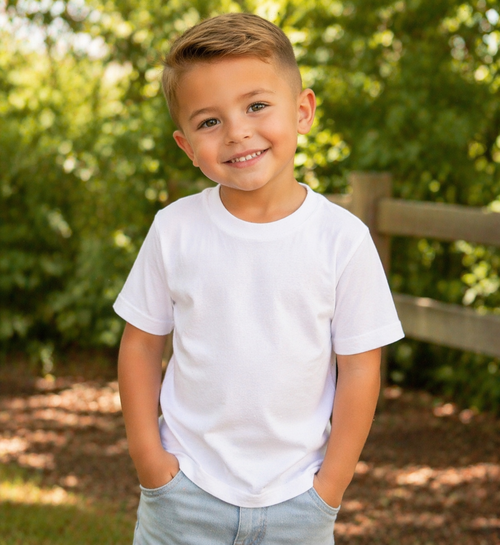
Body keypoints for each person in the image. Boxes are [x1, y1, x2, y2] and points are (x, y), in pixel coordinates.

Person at [114, 12, 404, 545]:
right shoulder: (174, 229)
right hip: (183, 493)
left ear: (302, 110)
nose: (237, 132)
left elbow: (361, 369)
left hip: (299, 502)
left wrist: (329, 488)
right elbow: (141, 344)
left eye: (256, 106)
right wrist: (150, 461)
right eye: (209, 121)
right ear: (186, 146)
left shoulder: (343, 239)